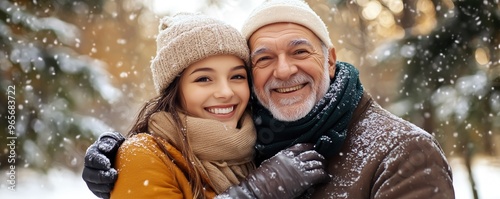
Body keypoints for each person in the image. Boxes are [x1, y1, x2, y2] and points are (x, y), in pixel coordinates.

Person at [83, 0, 455, 198]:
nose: (282, 70)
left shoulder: (403, 151)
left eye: (299, 52)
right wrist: (125, 160)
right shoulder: (256, 144)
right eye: (263, 59)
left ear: (329, 58)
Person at [96, 12, 329, 199]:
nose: (226, 92)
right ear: (175, 91)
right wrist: (255, 193)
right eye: (203, 79)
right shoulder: (144, 154)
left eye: (237, 77)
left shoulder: (256, 146)